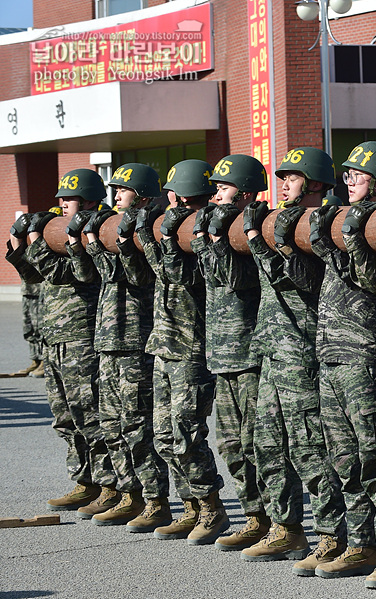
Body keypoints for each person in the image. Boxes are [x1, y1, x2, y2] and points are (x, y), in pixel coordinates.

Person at [295, 141, 376, 587]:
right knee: (343, 460)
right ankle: (358, 544)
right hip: (330, 357)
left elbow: (372, 280)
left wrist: (336, 243)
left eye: (355, 176)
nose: (347, 182)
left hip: (366, 361)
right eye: (345, 176)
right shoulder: (349, 223)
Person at [241, 147, 346, 566]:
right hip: (271, 350)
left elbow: (306, 283)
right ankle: (286, 528)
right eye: (282, 176)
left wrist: (267, 247)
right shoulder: (279, 220)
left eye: (294, 176)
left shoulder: (323, 224)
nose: (284, 183)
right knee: (266, 443)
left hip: (301, 353)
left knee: (309, 447)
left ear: (317, 184)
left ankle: (333, 534)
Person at [10, 169, 117, 514]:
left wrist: (40, 244)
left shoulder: (95, 230)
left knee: (90, 416)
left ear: (88, 200)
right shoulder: (62, 229)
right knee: (64, 418)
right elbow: (35, 275)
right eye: (60, 199)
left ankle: (109, 485)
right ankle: (84, 480)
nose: (61, 204)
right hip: (54, 338)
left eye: (68, 199)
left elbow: (76, 274)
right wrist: (19, 248)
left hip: (81, 338)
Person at [71, 163, 170, 531]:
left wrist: (99, 245)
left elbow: (132, 274)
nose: (115, 196)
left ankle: (154, 499)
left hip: (134, 343)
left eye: (122, 190)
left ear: (142, 196)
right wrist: (86, 243)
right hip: (109, 341)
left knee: (137, 425)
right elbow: (93, 275)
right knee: (111, 423)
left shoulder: (146, 230)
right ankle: (127, 493)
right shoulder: (116, 227)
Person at [138, 159, 227, 545]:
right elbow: (159, 270)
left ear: (177, 195)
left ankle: (210, 507)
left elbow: (182, 275)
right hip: (164, 344)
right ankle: (190, 506)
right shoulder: (176, 229)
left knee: (186, 434)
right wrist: (148, 235)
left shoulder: (201, 229)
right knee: (162, 434)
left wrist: (167, 235)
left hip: (191, 350)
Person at [189, 155, 268, 551]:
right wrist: (206, 238)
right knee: (231, 445)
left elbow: (235, 278)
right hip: (222, 354)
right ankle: (253, 516)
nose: (215, 196)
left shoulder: (254, 227)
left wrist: (216, 239)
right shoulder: (220, 227)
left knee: (259, 443)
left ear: (247, 194)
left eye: (223, 189)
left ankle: (277, 522)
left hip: (250, 355)